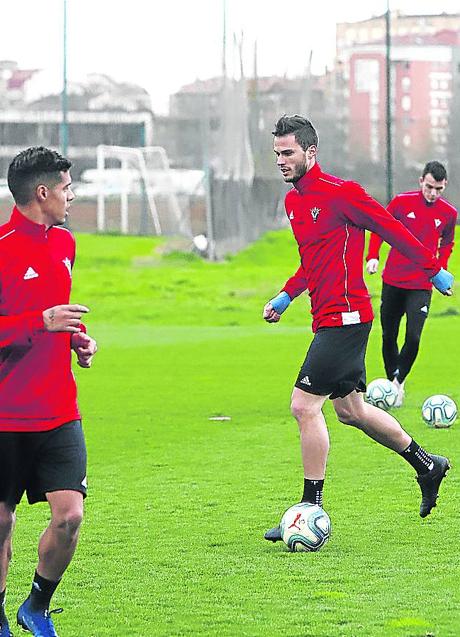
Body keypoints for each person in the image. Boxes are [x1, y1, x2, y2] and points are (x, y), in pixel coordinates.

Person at [262, 115, 453, 544]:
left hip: (347, 318)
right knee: (352, 411)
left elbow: (391, 229)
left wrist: (433, 270)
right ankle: (427, 464)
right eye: (277, 153)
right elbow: (313, 260)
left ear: (311, 152)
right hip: (327, 316)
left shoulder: (342, 194)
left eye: (288, 152)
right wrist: (287, 295)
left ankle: (309, 510)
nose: (281, 160)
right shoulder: (295, 203)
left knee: (303, 406)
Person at [0, 147, 97, 637]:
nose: (71, 195)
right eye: (65, 187)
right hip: (4, 414)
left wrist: (77, 340)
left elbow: (55, 318)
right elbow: (33, 320)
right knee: (0, 522)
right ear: (42, 192)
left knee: (70, 517)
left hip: (59, 408)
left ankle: (36, 606)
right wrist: (38, 323)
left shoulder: (65, 244)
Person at [366, 161, 457, 407]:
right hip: (393, 280)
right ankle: (391, 382)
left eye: (438, 189)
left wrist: (441, 270)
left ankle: (397, 383)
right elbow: (379, 228)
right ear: (421, 181)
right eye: (429, 187)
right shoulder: (401, 203)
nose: (433, 193)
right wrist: (373, 255)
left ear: (444, 185)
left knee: (414, 337)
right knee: (388, 335)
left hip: (422, 283)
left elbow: (447, 244)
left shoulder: (449, 214)